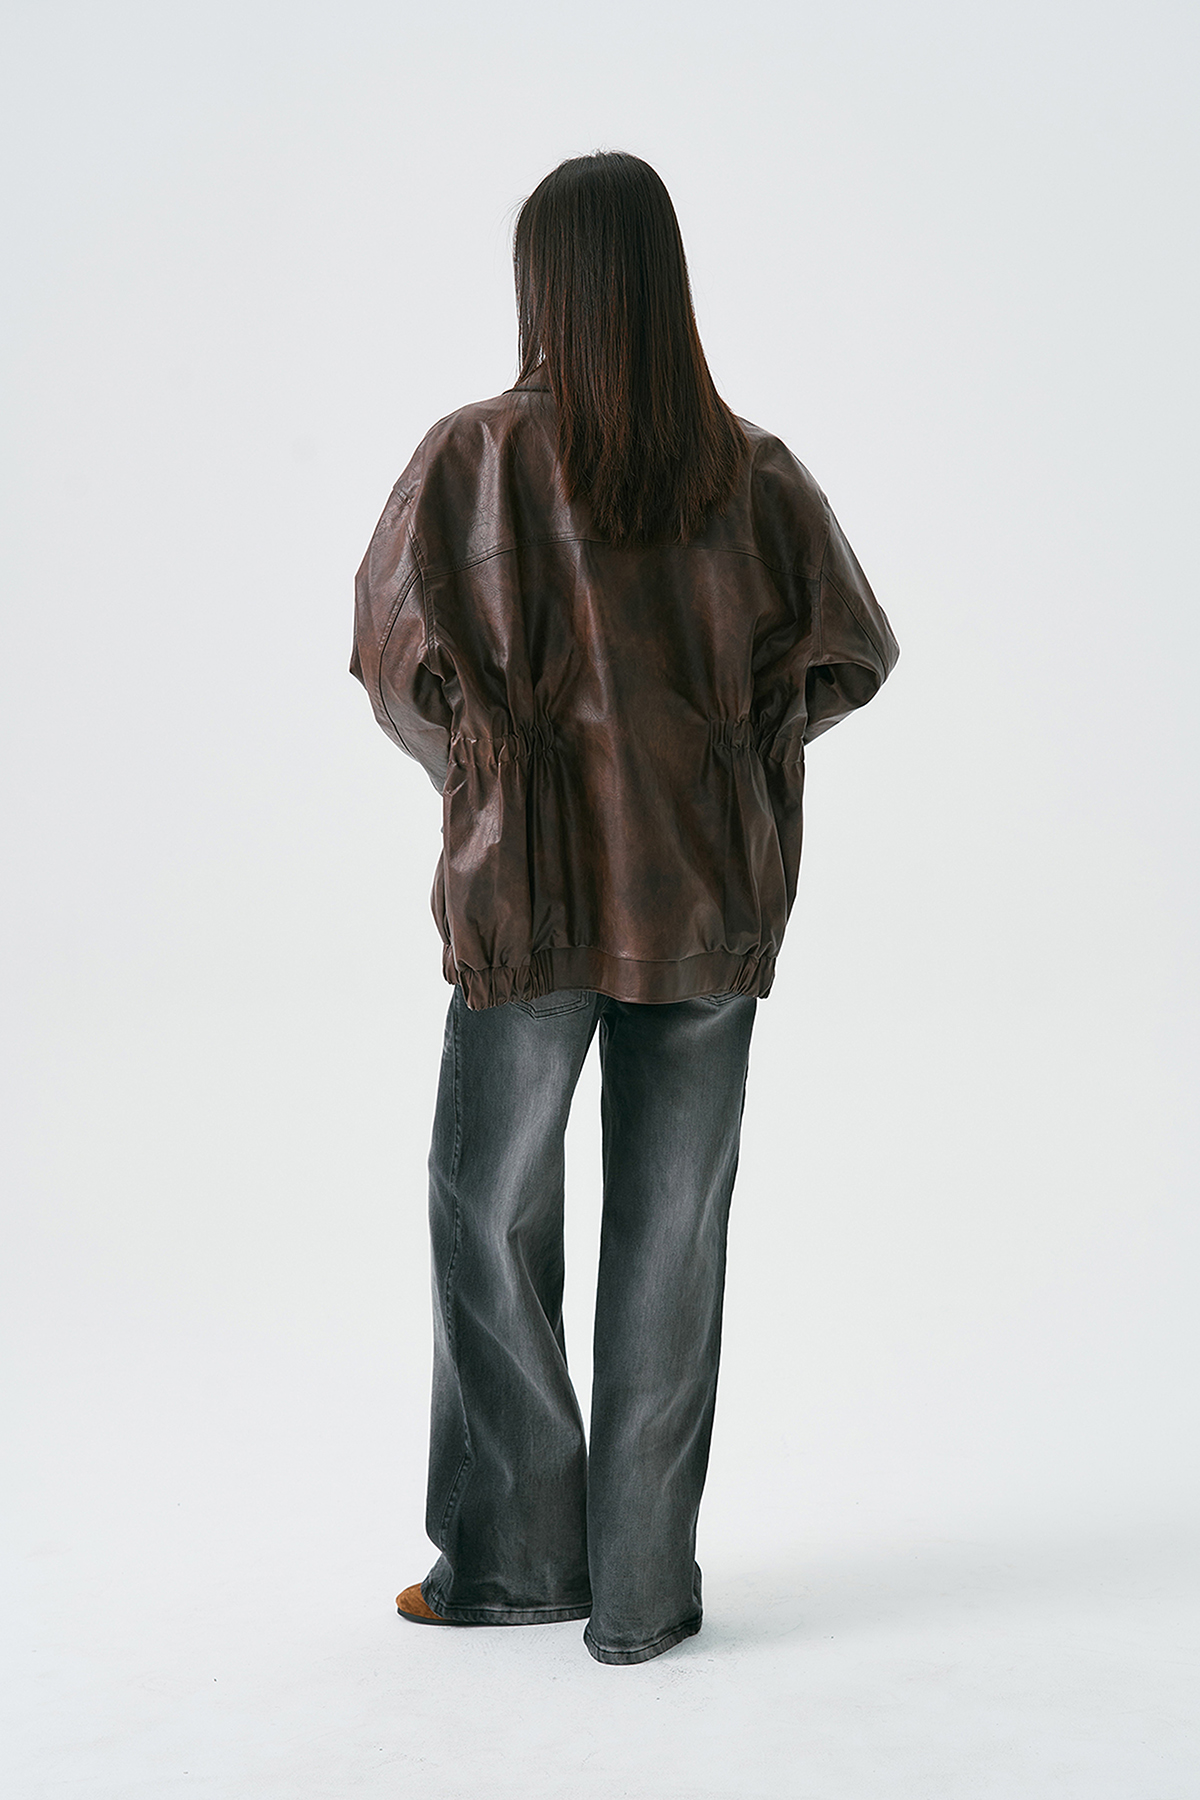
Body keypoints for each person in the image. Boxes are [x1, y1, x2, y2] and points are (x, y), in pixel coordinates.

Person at [350, 150, 898, 1666]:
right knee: (672, 1236)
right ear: (664, 283)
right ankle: (643, 1593)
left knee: (487, 1215)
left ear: (544, 284)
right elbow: (849, 656)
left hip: (527, 898)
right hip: (707, 895)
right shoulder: (753, 471)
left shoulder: (472, 457)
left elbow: (390, 660)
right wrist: (736, 757)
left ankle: (515, 1560)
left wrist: (491, 764)